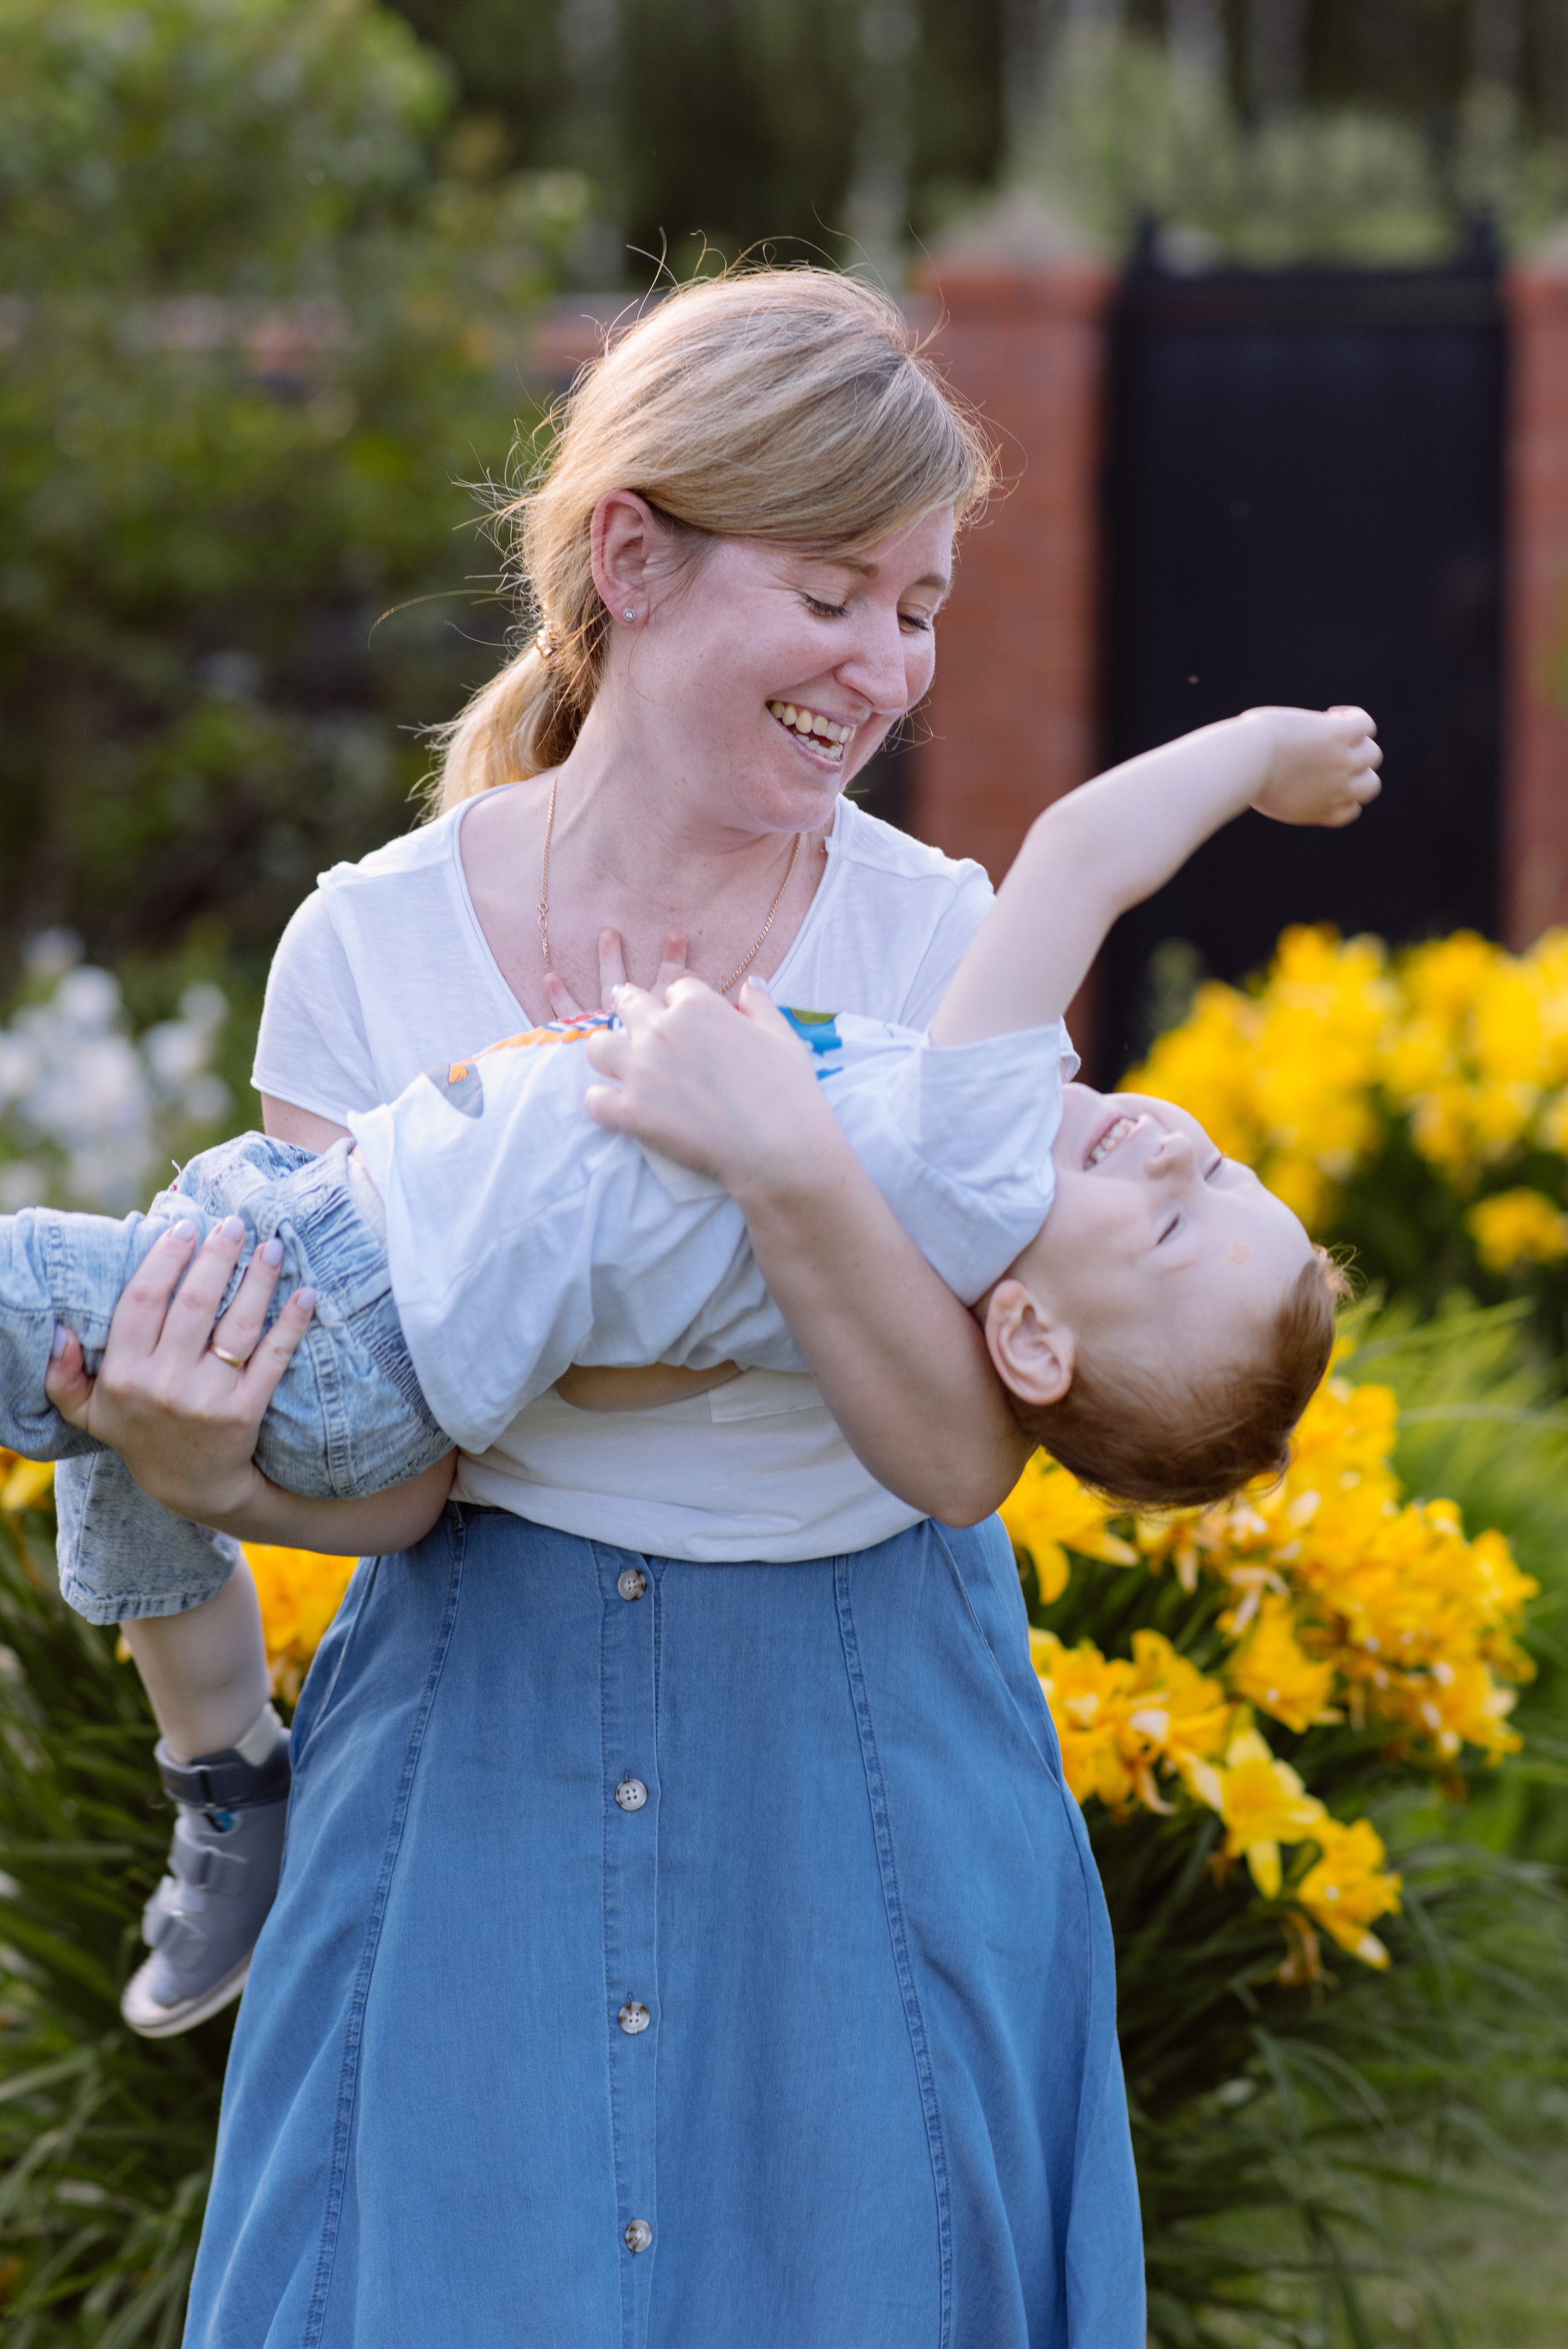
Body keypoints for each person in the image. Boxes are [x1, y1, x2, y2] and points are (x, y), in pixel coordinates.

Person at [34, 267, 1329, 2347]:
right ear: (631, 553)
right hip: (481, 1770)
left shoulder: (934, 935)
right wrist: (203, 1461)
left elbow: (973, 1428)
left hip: (860, 1768)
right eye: (836, 592)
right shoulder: (364, 947)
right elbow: (402, 1463)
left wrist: (786, 1158)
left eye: (919, 608)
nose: (887, 667)